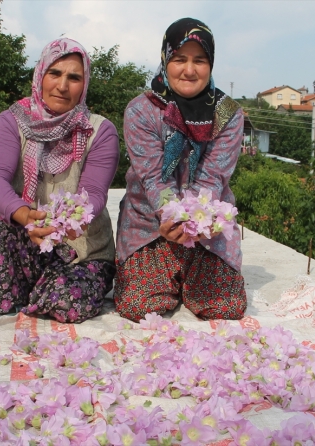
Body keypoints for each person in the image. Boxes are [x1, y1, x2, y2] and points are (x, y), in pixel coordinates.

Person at [0, 38, 119, 323]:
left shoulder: (100, 130)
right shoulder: (12, 121)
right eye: (55, 73)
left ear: (84, 84)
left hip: (82, 252)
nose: (63, 86)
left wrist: (72, 221)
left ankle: (45, 291)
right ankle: (15, 289)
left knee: (66, 305)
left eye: (74, 77)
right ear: (40, 75)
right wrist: (27, 216)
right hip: (28, 240)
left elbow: (95, 194)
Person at [114, 18, 247, 322]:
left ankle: (190, 277)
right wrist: (171, 216)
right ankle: (161, 274)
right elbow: (151, 175)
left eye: (199, 60)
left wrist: (195, 223)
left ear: (211, 64)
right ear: (165, 60)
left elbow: (213, 176)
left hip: (206, 224)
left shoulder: (228, 114)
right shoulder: (140, 110)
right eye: (180, 59)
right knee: (139, 306)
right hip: (150, 224)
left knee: (225, 307)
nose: (189, 70)